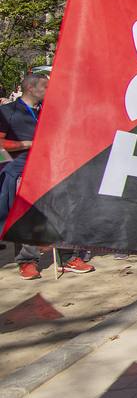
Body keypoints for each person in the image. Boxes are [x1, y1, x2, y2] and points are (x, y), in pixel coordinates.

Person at [1, 72, 97, 277]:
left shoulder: (50, 111)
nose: (49, 90)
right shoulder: (7, 111)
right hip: (22, 171)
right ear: (30, 88)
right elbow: (1, 144)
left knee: (64, 212)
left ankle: (67, 257)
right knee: (28, 218)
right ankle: (27, 261)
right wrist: (29, 145)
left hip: (54, 169)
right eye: (45, 87)